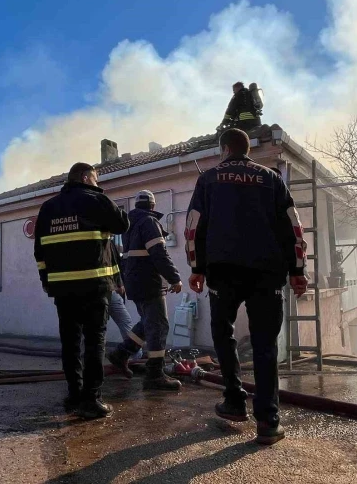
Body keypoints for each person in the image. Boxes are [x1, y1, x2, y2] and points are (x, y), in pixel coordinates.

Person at [185, 128, 308, 444]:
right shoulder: (271, 179)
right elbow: (293, 226)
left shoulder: (209, 179)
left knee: (223, 333)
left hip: (222, 271)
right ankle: (268, 422)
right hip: (267, 272)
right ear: (247, 150)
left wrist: (197, 268)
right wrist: (297, 271)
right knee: (265, 343)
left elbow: (193, 226)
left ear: (225, 149)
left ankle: (235, 401)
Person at [34, 162, 129, 419]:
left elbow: (40, 252)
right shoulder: (97, 200)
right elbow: (122, 225)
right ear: (87, 178)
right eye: (96, 179)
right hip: (95, 286)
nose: (98, 184)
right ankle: (92, 399)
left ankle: (74, 394)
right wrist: (101, 195)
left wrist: (47, 280)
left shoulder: (48, 207)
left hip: (62, 289)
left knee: (70, 341)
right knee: (95, 341)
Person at [107, 190, 183, 391]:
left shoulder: (129, 225)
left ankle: (122, 353)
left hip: (134, 281)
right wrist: (174, 278)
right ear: (152, 206)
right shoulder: (149, 222)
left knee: (148, 321)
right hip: (149, 282)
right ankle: (155, 375)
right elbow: (159, 254)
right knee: (158, 325)